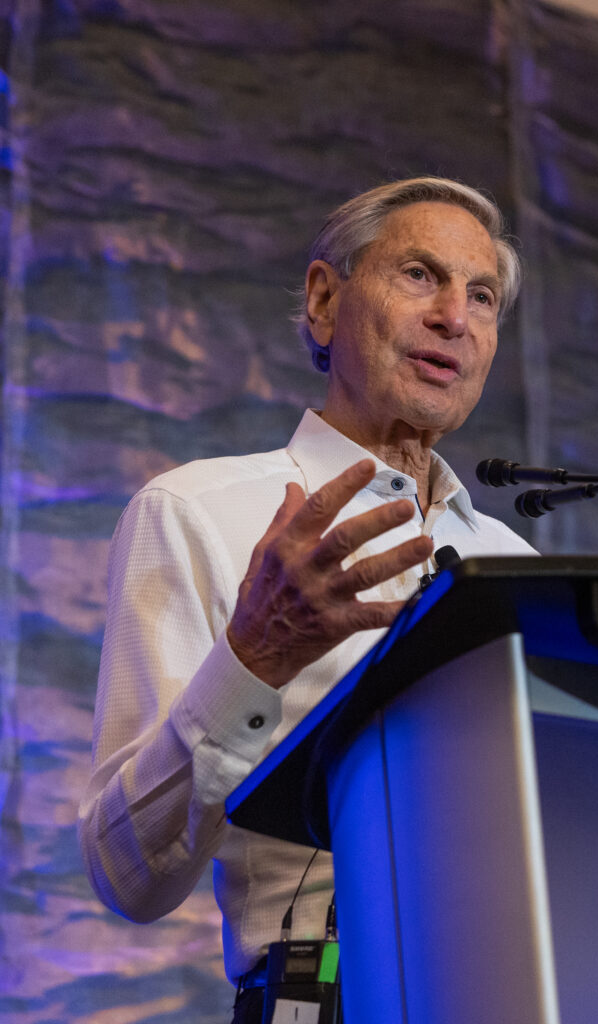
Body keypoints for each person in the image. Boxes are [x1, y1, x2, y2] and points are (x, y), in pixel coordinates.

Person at [77, 178, 536, 1017]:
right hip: (321, 996)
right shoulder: (198, 513)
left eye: (482, 296)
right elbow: (127, 875)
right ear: (325, 301)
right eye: (420, 276)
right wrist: (254, 659)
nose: (454, 319)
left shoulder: (514, 563)